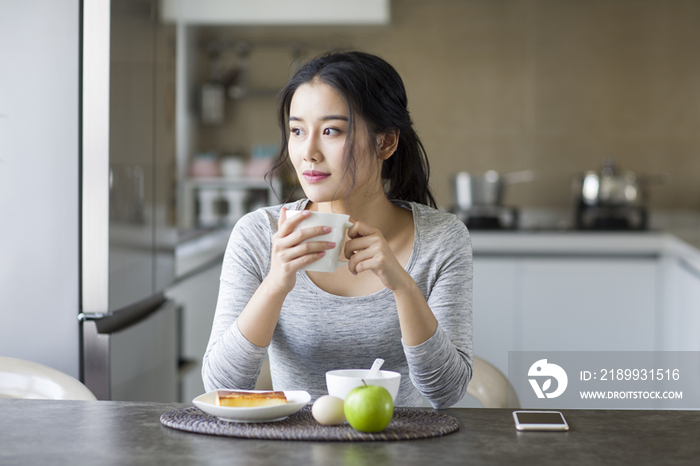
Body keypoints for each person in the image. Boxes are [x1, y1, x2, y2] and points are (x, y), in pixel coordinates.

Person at [202, 51, 472, 408]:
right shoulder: (257, 234)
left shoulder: (442, 238)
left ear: (386, 141)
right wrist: (276, 282)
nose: (308, 152)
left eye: (331, 130)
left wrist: (402, 285)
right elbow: (222, 385)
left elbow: (446, 393)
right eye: (297, 131)